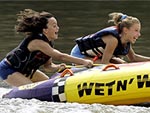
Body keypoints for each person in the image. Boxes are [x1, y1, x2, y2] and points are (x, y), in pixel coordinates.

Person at [0, 9, 93, 87]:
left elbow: (48, 66)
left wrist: (58, 67)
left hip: (26, 71)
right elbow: (60, 56)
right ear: (45, 30)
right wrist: (84, 62)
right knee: (32, 90)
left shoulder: (49, 43)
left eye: (57, 25)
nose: (58, 28)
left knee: (50, 86)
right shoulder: (37, 42)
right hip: (9, 69)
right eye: (54, 26)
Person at [71, 12, 150, 64]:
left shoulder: (125, 41)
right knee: (119, 66)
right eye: (136, 30)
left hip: (95, 55)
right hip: (79, 54)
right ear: (126, 30)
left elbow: (133, 58)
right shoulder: (113, 40)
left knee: (123, 64)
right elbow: (104, 63)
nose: (139, 34)